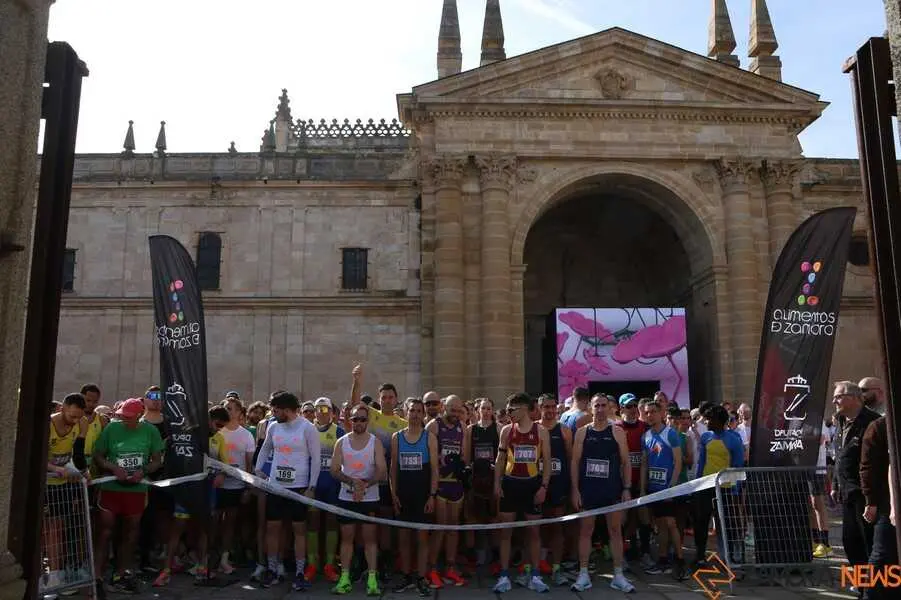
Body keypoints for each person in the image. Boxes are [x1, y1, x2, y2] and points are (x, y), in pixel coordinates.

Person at [92, 398, 164, 593]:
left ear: (140, 416)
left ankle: (121, 573)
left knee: (130, 532)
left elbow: (157, 460)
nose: (124, 420)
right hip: (111, 489)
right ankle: (96, 576)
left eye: (129, 417)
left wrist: (143, 471)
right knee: (105, 531)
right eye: (122, 416)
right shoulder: (111, 429)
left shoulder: (150, 431)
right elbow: (98, 455)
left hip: (136, 490)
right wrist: (113, 467)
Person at [153, 406, 229, 587]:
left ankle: (202, 567)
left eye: (221, 427)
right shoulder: (187, 433)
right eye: (217, 425)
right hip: (186, 488)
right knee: (178, 528)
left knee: (204, 528)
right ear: (208, 419)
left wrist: (221, 474)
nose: (218, 429)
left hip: (206, 489)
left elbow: (225, 463)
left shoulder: (219, 438)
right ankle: (166, 569)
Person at [253, 391, 321, 590]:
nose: (273, 413)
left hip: (299, 487)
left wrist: (312, 486)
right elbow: (265, 448)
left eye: (276, 410)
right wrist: (258, 469)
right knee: (272, 529)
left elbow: (316, 459)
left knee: (299, 530)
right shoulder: (274, 426)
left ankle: (300, 572)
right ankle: (273, 570)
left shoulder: (308, 428)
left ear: (287, 410)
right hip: (276, 486)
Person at [569, 393, 634, 593]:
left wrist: (626, 488)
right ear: (591, 408)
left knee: (615, 531)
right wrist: (575, 490)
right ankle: (583, 574)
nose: (600, 409)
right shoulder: (582, 432)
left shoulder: (617, 432)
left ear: (610, 408)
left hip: (611, 490)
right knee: (586, 531)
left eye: (603, 405)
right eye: (596, 406)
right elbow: (575, 462)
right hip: (588, 490)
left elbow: (626, 462)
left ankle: (618, 574)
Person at [492, 393, 552, 594]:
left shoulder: (541, 431)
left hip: (532, 486)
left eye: (511, 410)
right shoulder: (507, 431)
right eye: (507, 410)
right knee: (505, 533)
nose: (508, 414)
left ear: (524, 409)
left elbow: (548, 463)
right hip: (510, 485)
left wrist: (543, 487)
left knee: (534, 533)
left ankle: (535, 574)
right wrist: (497, 484)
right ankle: (503, 575)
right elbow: (500, 460)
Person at [330, 403, 387, 596]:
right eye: (355, 419)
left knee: (370, 539)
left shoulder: (375, 442)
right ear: (350, 420)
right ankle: (344, 577)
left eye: (363, 419)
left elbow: (382, 470)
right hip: (346, 497)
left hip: (370, 498)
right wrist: (352, 483)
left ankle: (372, 578)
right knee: (347, 539)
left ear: (367, 421)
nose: (359, 423)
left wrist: (365, 485)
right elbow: (335, 470)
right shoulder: (342, 442)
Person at [390, 397, 438, 597]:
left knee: (421, 539)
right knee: (403, 539)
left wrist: (432, 495)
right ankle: (406, 575)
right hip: (403, 495)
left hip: (422, 495)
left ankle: (420, 576)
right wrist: (393, 495)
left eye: (419, 411)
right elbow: (393, 469)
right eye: (412, 411)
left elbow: (435, 470)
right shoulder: (397, 437)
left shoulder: (429, 438)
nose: (416, 414)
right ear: (406, 412)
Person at [831, 381, 880, 572]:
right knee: (850, 542)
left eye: (839, 396)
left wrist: (872, 500)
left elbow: (877, 463)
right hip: (847, 494)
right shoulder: (841, 422)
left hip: (865, 495)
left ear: (853, 398)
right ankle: (862, 586)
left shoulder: (872, 422)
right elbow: (840, 456)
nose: (834, 400)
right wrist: (835, 484)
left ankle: (875, 589)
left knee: (870, 543)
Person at [44, 393, 88, 590]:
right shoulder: (48, 425)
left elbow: (78, 452)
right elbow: (36, 456)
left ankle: (56, 574)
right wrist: (55, 469)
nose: (75, 421)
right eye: (72, 416)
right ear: (62, 408)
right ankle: (43, 576)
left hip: (63, 484)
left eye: (79, 417)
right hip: (45, 481)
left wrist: (84, 472)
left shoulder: (82, 423)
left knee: (58, 529)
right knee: (44, 531)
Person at [692, 404, 744, 568]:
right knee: (701, 523)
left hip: (726, 490)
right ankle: (700, 556)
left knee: (727, 525)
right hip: (706, 488)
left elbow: (737, 465)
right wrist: (697, 484)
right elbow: (701, 462)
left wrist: (736, 490)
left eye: (710, 419)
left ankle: (730, 558)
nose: (706, 422)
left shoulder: (734, 439)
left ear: (719, 421)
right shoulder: (706, 436)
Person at [425, 394, 468, 587]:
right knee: (440, 527)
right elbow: (428, 460)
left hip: (455, 484)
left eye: (459, 411)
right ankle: (432, 569)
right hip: (440, 483)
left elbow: (464, 456)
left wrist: (462, 468)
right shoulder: (434, 426)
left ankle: (450, 567)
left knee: (453, 528)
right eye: (453, 410)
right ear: (444, 408)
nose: (456, 414)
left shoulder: (462, 427)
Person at [639, 398, 684, 579]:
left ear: (661, 413)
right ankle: (663, 559)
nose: (650, 415)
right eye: (647, 412)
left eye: (653, 412)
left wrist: (671, 487)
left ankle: (680, 560)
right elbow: (644, 464)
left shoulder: (670, 434)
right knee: (660, 525)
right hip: (653, 488)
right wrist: (642, 489)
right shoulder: (646, 436)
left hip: (668, 488)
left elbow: (678, 462)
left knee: (671, 523)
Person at [306, 397, 344, 583]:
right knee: (312, 522)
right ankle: (312, 563)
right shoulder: (307, 429)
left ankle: (329, 563)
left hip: (332, 486)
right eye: (318, 409)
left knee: (331, 522)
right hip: (313, 484)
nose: (321, 412)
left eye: (325, 409)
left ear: (332, 412)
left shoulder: (339, 431)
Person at [860, 415, 898, 600]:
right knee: (882, 556)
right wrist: (890, 506)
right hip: (887, 504)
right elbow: (891, 467)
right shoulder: (882, 425)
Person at [537, 393, 572, 585]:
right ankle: (538, 563)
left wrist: (573, 487)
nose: (550, 411)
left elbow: (570, 459)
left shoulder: (564, 431)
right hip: (536, 484)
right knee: (535, 527)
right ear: (539, 408)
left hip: (559, 484)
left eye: (552, 407)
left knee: (557, 526)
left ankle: (557, 568)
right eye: (546, 407)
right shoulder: (534, 428)